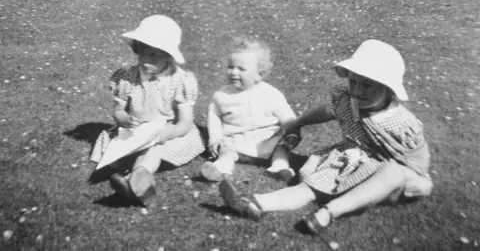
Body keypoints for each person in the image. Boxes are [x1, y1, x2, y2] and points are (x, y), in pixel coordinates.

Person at [219, 39, 433, 233]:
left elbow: (416, 162)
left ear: (388, 90)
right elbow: (325, 111)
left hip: (385, 173)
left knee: (393, 173)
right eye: (354, 81)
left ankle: (329, 213)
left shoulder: (400, 123)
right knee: (308, 189)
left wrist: (410, 181)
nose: (357, 90)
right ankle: (255, 203)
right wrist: (298, 122)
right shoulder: (348, 100)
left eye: (367, 84)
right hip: (351, 161)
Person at [90, 15, 205, 205]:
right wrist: (124, 119)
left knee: (154, 152)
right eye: (142, 52)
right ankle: (128, 175)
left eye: (153, 55)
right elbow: (118, 111)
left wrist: (172, 131)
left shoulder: (180, 80)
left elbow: (186, 121)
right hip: (136, 130)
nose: (145, 59)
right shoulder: (128, 78)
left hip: (165, 130)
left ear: (168, 56)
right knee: (113, 144)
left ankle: (137, 178)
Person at [201, 37, 299, 182]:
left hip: (267, 142)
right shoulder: (221, 96)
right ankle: (222, 167)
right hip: (236, 142)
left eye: (241, 69)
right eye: (230, 67)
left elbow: (288, 118)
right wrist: (214, 138)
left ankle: (280, 167)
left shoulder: (271, 94)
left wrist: (292, 131)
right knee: (225, 149)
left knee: (282, 147)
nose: (234, 72)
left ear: (260, 74)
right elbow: (214, 117)